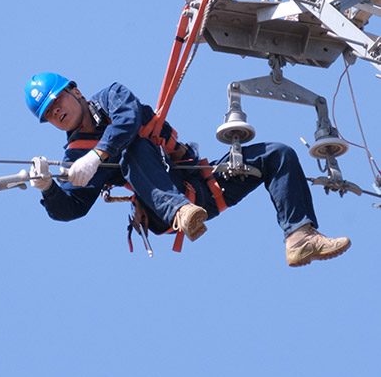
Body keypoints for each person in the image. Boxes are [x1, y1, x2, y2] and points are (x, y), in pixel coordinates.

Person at [24, 72, 351, 267]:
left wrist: (98, 154)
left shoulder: (111, 96)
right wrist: (48, 188)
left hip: (200, 187)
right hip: (163, 208)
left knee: (277, 154)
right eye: (49, 113)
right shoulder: (76, 155)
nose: (56, 113)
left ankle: (300, 237)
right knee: (133, 150)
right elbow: (71, 208)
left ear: (76, 92)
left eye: (58, 102)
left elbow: (127, 121)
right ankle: (181, 210)